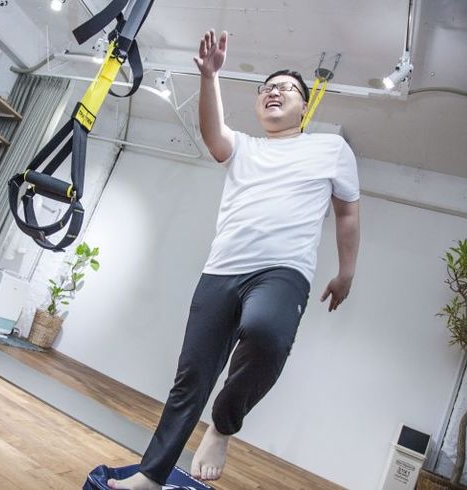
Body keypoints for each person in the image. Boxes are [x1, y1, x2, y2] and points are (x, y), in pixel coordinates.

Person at [109, 29, 360, 489]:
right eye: (267, 87)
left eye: (287, 88)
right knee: (191, 378)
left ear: (305, 107)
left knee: (266, 333)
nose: (274, 92)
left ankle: (223, 425)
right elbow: (214, 134)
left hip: (283, 270)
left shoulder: (330, 149)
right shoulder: (246, 147)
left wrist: (346, 273)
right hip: (221, 271)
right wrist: (210, 77)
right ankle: (151, 474)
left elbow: (346, 213)